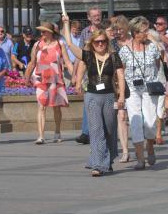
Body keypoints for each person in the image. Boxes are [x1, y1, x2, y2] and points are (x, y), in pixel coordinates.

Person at [63, 14, 125, 176]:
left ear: (107, 42)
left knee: (110, 130)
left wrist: (122, 97)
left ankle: (108, 158)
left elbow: (120, 77)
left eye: (103, 42)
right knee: (96, 130)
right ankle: (98, 164)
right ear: (93, 43)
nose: (100, 45)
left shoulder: (113, 56)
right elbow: (69, 44)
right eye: (97, 42)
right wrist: (67, 24)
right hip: (92, 96)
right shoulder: (88, 55)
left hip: (109, 96)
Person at [119, 16, 161, 170]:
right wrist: (122, 94)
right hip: (132, 89)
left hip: (150, 88)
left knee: (150, 122)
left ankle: (150, 145)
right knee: (136, 121)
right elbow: (121, 72)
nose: (147, 34)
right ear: (135, 33)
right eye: (144, 31)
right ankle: (140, 158)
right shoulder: (124, 50)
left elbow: (157, 64)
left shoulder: (152, 47)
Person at [25, 21, 74, 144]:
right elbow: (32, 62)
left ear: (51, 32)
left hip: (55, 79)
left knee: (56, 108)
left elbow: (67, 62)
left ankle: (57, 131)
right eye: (41, 31)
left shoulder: (60, 44)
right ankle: (41, 136)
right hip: (41, 79)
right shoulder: (37, 45)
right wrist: (26, 77)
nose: (41, 33)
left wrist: (75, 76)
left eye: (44, 31)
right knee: (41, 107)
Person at [74, 6, 103, 145]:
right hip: (88, 75)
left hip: (104, 74)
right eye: (94, 15)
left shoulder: (106, 30)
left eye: (99, 15)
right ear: (89, 17)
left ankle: (99, 132)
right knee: (88, 103)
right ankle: (86, 133)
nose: (97, 17)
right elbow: (80, 56)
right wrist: (75, 76)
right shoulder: (85, 32)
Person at [113, 15, 132, 163]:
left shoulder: (133, 42)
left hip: (133, 83)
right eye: (116, 29)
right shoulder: (111, 44)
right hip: (117, 84)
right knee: (121, 116)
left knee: (137, 117)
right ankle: (125, 150)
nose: (118, 32)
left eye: (120, 29)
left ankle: (142, 142)